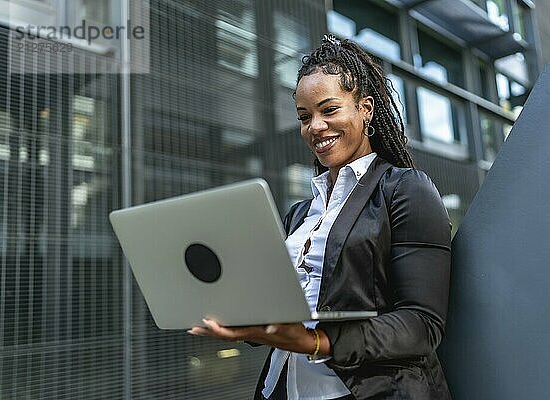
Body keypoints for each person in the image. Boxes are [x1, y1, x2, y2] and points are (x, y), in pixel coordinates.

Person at [188, 35, 452, 400]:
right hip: (283, 388)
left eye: (329, 110)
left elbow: (421, 325)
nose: (315, 126)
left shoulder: (405, 189)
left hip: (367, 392)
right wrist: (245, 324)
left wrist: (316, 341)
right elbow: (278, 312)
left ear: (366, 108)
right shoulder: (299, 214)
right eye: (304, 116)